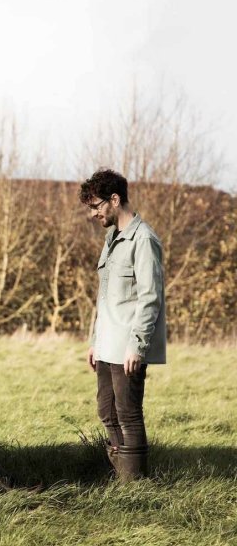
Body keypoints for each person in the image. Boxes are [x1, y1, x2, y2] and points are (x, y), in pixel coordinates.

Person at [79, 168, 167, 481]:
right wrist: (94, 341)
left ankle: (135, 484)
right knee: (106, 411)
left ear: (115, 199)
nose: (93, 214)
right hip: (107, 344)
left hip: (128, 346)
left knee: (128, 414)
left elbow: (150, 298)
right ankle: (121, 473)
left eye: (96, 206)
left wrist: (137, 346)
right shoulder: (112, 237)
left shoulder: (144, 239)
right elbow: (104, 296)